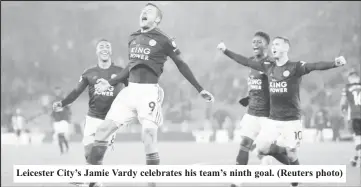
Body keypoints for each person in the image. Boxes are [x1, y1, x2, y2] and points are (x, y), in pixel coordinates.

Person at [90, 3, 214, 187]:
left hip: (148, 92)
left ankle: (152, 184)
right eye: (142, 11)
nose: (143, 13)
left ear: (157, 19)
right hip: (129, 91)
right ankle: (94, 180)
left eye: (149, 11)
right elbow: (130, 67)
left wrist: (199, 88)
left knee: (148, 136)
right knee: (101, 131)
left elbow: (181, 64)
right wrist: (111, 82)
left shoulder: (164, 39)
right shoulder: (133, 37)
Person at [218, 36, 346, 187]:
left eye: (277, 44)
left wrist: (334, 63)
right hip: (273, 120)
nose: (274, 47)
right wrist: (226, 51)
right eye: (273, 45)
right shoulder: (268, 66)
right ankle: (284, 151)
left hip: (292, 120)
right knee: (262, 148)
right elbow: (246, 61)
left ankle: (296, 174)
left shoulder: (295, 67)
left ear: (286, 48)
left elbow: (315, 65)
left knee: (292, 155)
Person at [53, 39, 127, 185]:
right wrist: (62, 103)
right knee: (89, 155)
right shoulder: (89, 73)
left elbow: (133, 89)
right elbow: (76, 92)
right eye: (101, 46)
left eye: (107, 46)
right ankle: (96, 183)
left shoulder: (120, 72)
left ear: (110, 51)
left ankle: (84, 179)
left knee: (97, 154)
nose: (104, 48)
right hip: (92, 119)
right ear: (97, 52)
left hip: (110, 120)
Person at [340, 70, 361, 167]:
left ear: (351, 78)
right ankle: (355, 159)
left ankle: (358, 158)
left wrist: (342, 109)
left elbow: (343, 102)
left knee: (357, 138)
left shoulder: (347, 88)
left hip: (354, 116)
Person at [51, 86, 71, 155]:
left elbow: (68, 108)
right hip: (57, 120)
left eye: (58, 91)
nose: (57, 92)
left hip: (63, 119)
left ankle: (65, 148)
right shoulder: (53, 101)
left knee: (62, 135)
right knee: (60, 136)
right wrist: (52, 118)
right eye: (56, 91)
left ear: (60, 91)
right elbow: (53, 111)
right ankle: (62, 150)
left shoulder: (64, 99)